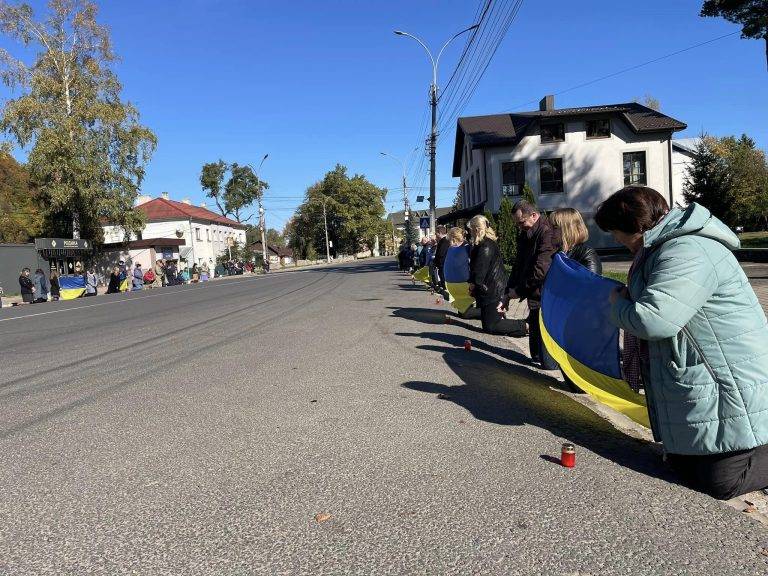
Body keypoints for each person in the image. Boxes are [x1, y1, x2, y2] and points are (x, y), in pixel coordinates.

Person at [595, 185, 768, 500]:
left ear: (636, 225)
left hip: (728, 372)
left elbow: (654, 319)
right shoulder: (662, 248)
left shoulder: (687, 250)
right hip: (702, 372)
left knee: (722, 482)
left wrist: (616, 304)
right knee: (681, 466)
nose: (615, 240)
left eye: (616, 232)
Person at [501, 200, 560, 369]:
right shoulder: (526, 234)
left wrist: (518, 292)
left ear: (534, 216)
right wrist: (507, 292)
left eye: (522, 222)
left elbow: (540, 271)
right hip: (533, 296)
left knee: (548, 362)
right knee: (536, 354)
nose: (520, 227)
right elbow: (518, 266)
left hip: (545, 296)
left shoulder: (547, 233)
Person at [468, 215, 526, 336]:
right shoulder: (486, 243)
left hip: (493, 290)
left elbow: (479, 271)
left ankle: (525, 326)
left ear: (477, 229)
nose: (470, 232)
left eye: (471, 229)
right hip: (492, 287)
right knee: (487, 324)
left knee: (492, 326)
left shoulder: (485, 246)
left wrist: (473, 285)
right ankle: (505, 319)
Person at [549, 208, 602, 274]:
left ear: (568, 229)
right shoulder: (552, 252)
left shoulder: (586, 253)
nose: (550, 230)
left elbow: (592, 282)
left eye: (554, 227)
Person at [433, 225, 450, 291]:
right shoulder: (442, 241)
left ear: (439, 233)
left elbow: (441, 253)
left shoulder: (445, 241)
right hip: (441, 264)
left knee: (443, 276)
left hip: (443, 264)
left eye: (436, 233)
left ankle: (445, 289)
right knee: (441, 276)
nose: (436, 235)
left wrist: (436, 260)